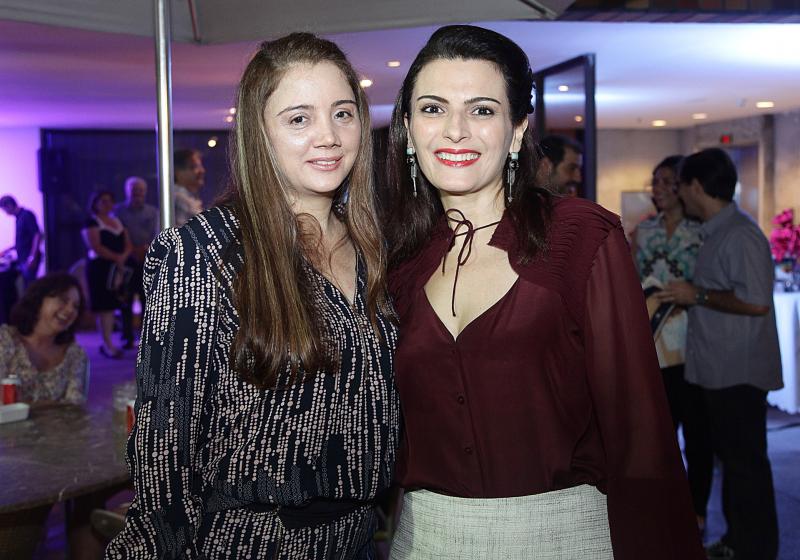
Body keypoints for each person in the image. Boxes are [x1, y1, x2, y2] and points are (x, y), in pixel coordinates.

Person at [384, 25, 704, 559]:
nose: (455, 130)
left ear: (516, 131)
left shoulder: (580, 237)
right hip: (426, 541)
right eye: (433, 109)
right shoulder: (398, 264)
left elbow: (639, 435)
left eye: (482, 110)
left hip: (561, 538)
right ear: (409, 131)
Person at [105, 33, 398, 560]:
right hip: (251, 543)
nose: (329, 136)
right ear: (259, 135)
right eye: (299, 118)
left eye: (343, 113)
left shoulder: (376, 248)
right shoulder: (203, 253)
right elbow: (164, 457)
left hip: (358, 541)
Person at [658, 148, 782, 560]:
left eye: (681, 186)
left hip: (738, 370)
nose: (679, 194)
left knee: (745, 464)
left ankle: (755, 548)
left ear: (696, 187)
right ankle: (737, 541)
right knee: (732, 461)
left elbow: (757, 301)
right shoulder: (717, 231)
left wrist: (698, 295)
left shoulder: (740, 235)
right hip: (720, 368)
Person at [631, 155, 713, 532]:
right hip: (652, 341)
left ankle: (697, 512)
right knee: (657, 434)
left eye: (667, 181)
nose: (659, 189)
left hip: (693, 342)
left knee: (697, 434)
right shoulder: (644, 231)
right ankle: (662, 509)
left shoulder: (702, 231)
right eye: (656, 181)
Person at [0, 272, 87, 405]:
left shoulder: (74, 354)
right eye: (63, 300)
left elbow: (74, 408)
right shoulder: (6, 341)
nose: (70, 310)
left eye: (76, 306)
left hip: (59, 420)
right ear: (39, 300)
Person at [81, 190, 132, 359]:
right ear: (95, 203)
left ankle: (109, 342)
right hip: (100, 268)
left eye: (109, 200)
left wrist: (122, 258)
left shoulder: (117, 221)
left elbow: (128, 243)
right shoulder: (91, 222)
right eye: (102, 201)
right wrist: (116, 258)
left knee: (113, 305)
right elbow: (95, 246)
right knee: (104, 307)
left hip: (118, 268)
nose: (106, 204)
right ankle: (107, 343)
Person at [114, 177, 159, 349]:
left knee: (146, 299)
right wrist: (131, 250)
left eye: (140, 190)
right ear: (127, 192)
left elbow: (157, 233)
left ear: (145, 192)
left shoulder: (153, 212)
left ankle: (145, 337)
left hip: (147, 259)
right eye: (134, 190)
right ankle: (126, 336)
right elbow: (115, 234)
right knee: (125, 299)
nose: (137, 193)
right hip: (126, 260)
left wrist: (144, 249)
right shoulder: (118, 211)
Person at [0, 194, 42, 285]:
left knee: (30, 286)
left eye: (4, 210)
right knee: (26, 285)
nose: (6, 213)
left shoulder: (26, 215)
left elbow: (37, 235)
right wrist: (6, 251)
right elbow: (22, 241)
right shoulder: (18, 218)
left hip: (28, 257)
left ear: (9, 205)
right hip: (23, 258)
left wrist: (32, 257)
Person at [173, 148, 205, 227]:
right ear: (178, 172)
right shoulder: (177, 198)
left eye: (200, 166)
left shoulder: (187, 196)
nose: (202, 170)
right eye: (194, 167)